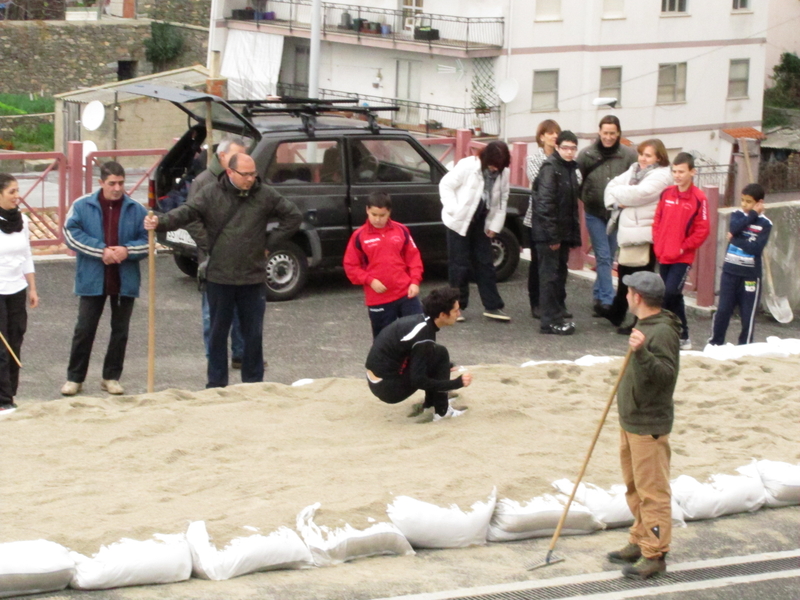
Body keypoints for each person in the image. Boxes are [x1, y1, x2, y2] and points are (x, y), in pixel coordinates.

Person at [145, 153, 302, 388]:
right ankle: (216, 385)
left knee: (253, 336)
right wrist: (161, 222)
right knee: (218, 335)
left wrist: (269, 244)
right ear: (230, 172)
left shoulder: (265, 194)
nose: (251, 179)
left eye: (253, 174)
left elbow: (293, 216)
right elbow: (187, 212)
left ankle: (254, 384)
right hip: (219, 277)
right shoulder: (210, 193)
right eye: (245, 174)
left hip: (252, 278)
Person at [607, 270, 680, 580]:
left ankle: (655, 554)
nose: (625, 296)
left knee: (652, 492)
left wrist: (641, 352)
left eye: (628, 292)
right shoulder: (645, 324)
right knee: (635, 488)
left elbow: (665, 376)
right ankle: (639, 540)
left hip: (648, 423)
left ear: (637, 297)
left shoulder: (662, 332)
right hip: (632, 420)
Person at [61, 162, 149, 396]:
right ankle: (75, 378)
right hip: (92, 279)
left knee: (120, 331)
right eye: (112, 183)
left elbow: (148, 240)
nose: (117, 188)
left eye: (121, 183)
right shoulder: (82, 205)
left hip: (124, 280)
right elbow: (70, 234)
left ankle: (111, 377)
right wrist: (101, 251)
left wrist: (127, 250)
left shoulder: (136, 209)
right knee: (84, 329)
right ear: (101, 183)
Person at [186, 137, 248, 369]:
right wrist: (212, 244)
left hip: (241, 259)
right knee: (212, 314)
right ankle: (215, 358)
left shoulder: (242, 181)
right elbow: (192, 219)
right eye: (237, 157)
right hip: (212, 260)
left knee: (242, 310)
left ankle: (241, 354)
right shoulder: (203, 182)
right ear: (223, 157)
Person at [365, 286, 472, 421]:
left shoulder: (421, 321)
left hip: (379, 378)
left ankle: (431, 403)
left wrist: (443, 367)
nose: (459, 314)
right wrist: (456, 383)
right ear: (442, 315)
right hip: (387, 387)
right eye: (455, 311)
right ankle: (442, 411)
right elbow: (419, 380)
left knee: (438, 354)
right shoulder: (423, 336)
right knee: (439, 354)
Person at [604, 139, 674, 333]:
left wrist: (620, 194)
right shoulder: (634, 169)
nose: (643, 158)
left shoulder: (661, 175)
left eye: (648, 155)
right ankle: (617, 312)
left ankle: (640, 323)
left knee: (642, 282)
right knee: (625, 275)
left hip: (645, 234)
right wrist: (620, 198)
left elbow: (640, 194)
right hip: (629, 232)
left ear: (659, 157)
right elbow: (610, 187)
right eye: (641, 154)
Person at [440, 141, 511, 322]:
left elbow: (503, 199)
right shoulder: (468, 165)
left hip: (481, 221)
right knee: (459, 264)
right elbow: (445, 185)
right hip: (458, 221)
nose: (495, 168)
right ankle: (457, 307)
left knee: (486, 263)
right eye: (493, 164)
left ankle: (492, 306)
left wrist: (495, 225)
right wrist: (454, 209)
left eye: (499, 166)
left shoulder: (504, 173)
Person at [577, 115, 637, 317]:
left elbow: (635, 181)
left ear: (618, 133)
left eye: (612, 133)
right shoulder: (586, 154)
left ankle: (598, 294)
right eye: (605, 133)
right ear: (599, 132)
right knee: (603, 256)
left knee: (609, 257)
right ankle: (607, 300)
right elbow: (578, 181)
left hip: (617, 213)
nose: (609, 137)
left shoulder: (629, 155)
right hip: (594, 212)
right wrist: (588, 198)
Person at [343, 192, 424, 339]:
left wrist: (414, 281)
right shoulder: (359, 236)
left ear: (389, 212)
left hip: (406, 293)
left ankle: (417, 362)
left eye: (382, 215)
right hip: (379, 298)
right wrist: (370, 280)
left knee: (419, 334)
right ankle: (389, 363)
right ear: (367, 210)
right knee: (384, 341)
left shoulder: (401, 230)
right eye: (374, 214)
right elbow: (350, 266)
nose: (378, 219)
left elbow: (414, 258)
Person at [652, 152, 710, 350]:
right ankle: (683, 335)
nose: (677, 175)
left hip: (682, 257)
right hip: (664, 254)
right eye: (674, 171)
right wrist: (658, 244)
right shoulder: (667, 193)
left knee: (669, 294)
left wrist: (682, 246)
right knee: (674, 296)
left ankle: (665, 334)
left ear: (692, 172)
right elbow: (657, 220)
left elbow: (703, 230)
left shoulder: (699, 198)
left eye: (681, 171)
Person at [530, 131, 582, 335]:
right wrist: (552, 235)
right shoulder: (551, 168)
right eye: (565, 148)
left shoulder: (568, 168)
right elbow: (544, 204)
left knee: (559, 275)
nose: (569, 152)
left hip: (562, 233)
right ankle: (550, 321)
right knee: (549, 277)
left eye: (572, 148)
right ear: (558, 147)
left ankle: (556, 315)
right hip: (549, 234)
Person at [709, 183, 772, 346]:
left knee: (747, 315)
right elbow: (735, 227)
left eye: (749, 202)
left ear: (759, 203)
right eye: (742, 200)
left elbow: (756, 249)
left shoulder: (766, 224)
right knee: (723, 310)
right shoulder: (737, 215)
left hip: (750, 276)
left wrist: (735, 239)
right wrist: (751, 215)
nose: (744, 204)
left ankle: (745, 346)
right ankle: (716, 342)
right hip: (730, 272)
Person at [0, 174, 38, 411]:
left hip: (17, 289)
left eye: (17, 191)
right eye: (11, 192)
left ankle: (10, 393)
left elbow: (27, 255)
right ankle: (3, 401)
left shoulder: (22, 220)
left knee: (15, 342)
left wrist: (32, 288)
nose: (17, 196)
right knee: (1, 349)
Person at [523, 119, 566, 320]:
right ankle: (536, 303)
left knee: (559, 265)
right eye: (549, 133)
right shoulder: (534, 159)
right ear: (541, 137)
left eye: (556, 132)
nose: (554, 136)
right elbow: (538, 181)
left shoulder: (563, 157)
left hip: (560, 219)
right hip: (537, 219)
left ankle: (557, 303)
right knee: (537, 263)